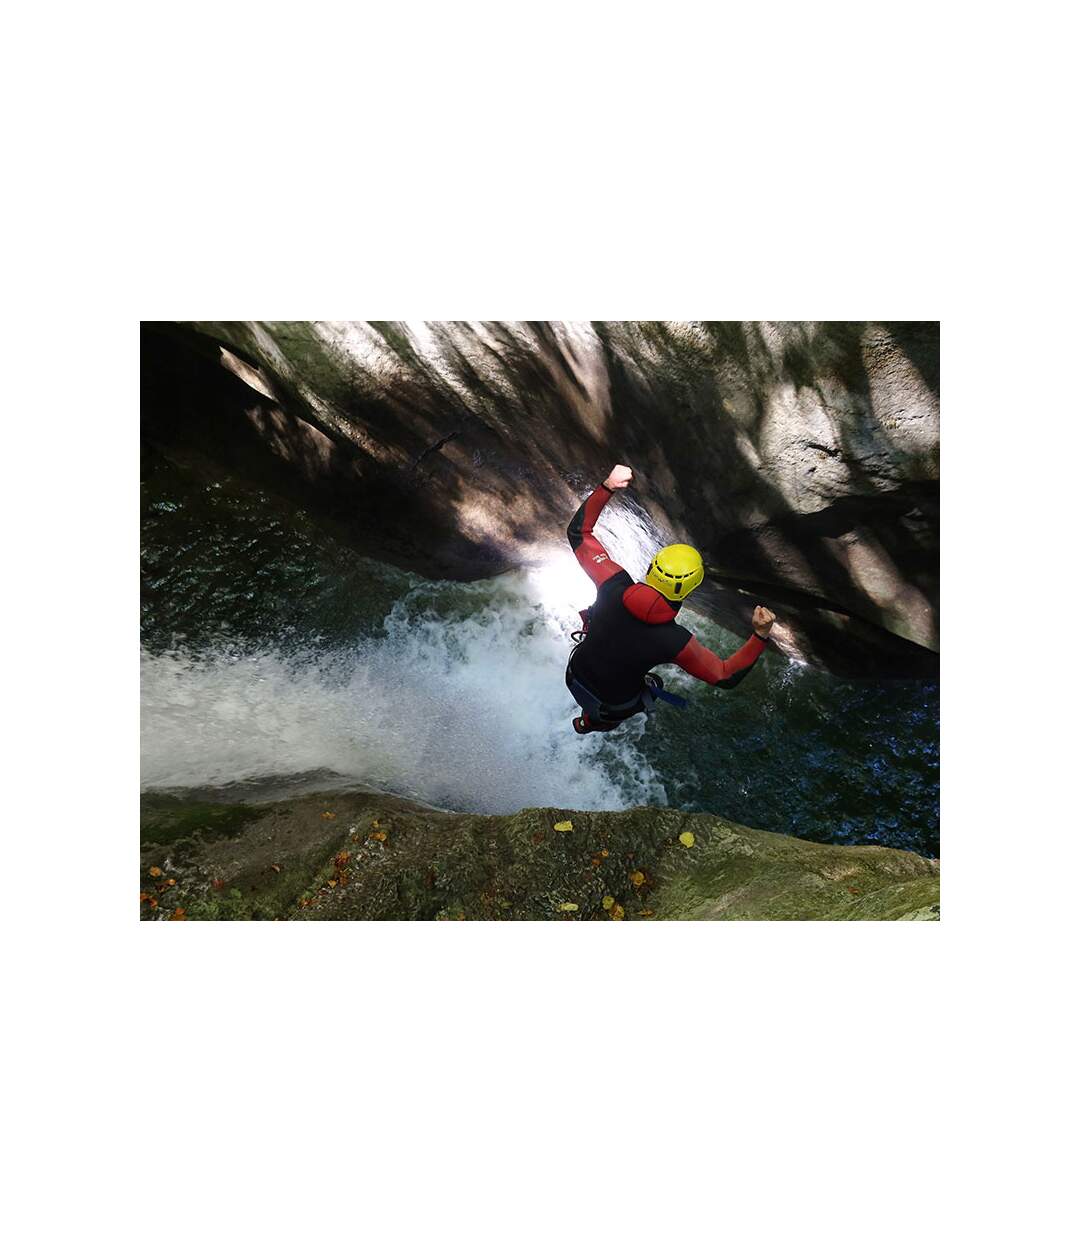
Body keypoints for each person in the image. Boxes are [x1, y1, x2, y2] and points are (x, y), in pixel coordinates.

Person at [565, 464, 776, 734]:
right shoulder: (675, 641)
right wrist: (760, 635)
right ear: (687, 591)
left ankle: (589, 721)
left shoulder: (611, 583)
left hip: (574, 674)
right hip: (611, 705)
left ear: (652, 567)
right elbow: (724, 676)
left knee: (599, 621)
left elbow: (579, 533)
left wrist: (609, 485)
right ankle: (591, 722)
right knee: (653, 686)